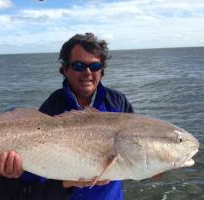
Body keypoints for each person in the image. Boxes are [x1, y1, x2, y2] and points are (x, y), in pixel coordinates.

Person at [38, 33, 134, 200]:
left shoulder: (118, 102)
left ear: (102, 69)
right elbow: (38, 166)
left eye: (95, 66)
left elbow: (134, 153)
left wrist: (157, 167)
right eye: (79, 66)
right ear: (66, 69)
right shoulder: (53, 105)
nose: (88, 72)